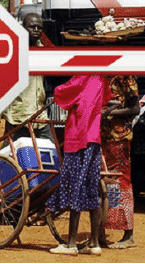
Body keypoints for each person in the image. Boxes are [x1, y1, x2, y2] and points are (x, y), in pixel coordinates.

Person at [46, 75, 105, 255]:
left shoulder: (82, 77)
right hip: (94, 140)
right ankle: (94, 243)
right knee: (92, 189)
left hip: (78, 139)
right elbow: (106, 97)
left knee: (75, 188)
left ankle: (71, 244)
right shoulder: (100, 79)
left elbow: (61, 93)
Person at [0, 12, 51, 142]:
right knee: (14, 157)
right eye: (32, 27)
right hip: (18, 118)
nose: (36, 30)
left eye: (39, 28)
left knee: (49, 152)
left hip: (40, 117)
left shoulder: (44, 52)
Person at [101, 75, 140, 249]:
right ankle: (101, 231)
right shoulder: (102, 75)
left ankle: (128, 234)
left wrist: (110, 113)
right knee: (106, 183)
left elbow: (135, 108)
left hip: (119, 137)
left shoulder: (125, 76)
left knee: (122, 182)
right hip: (103, 136)